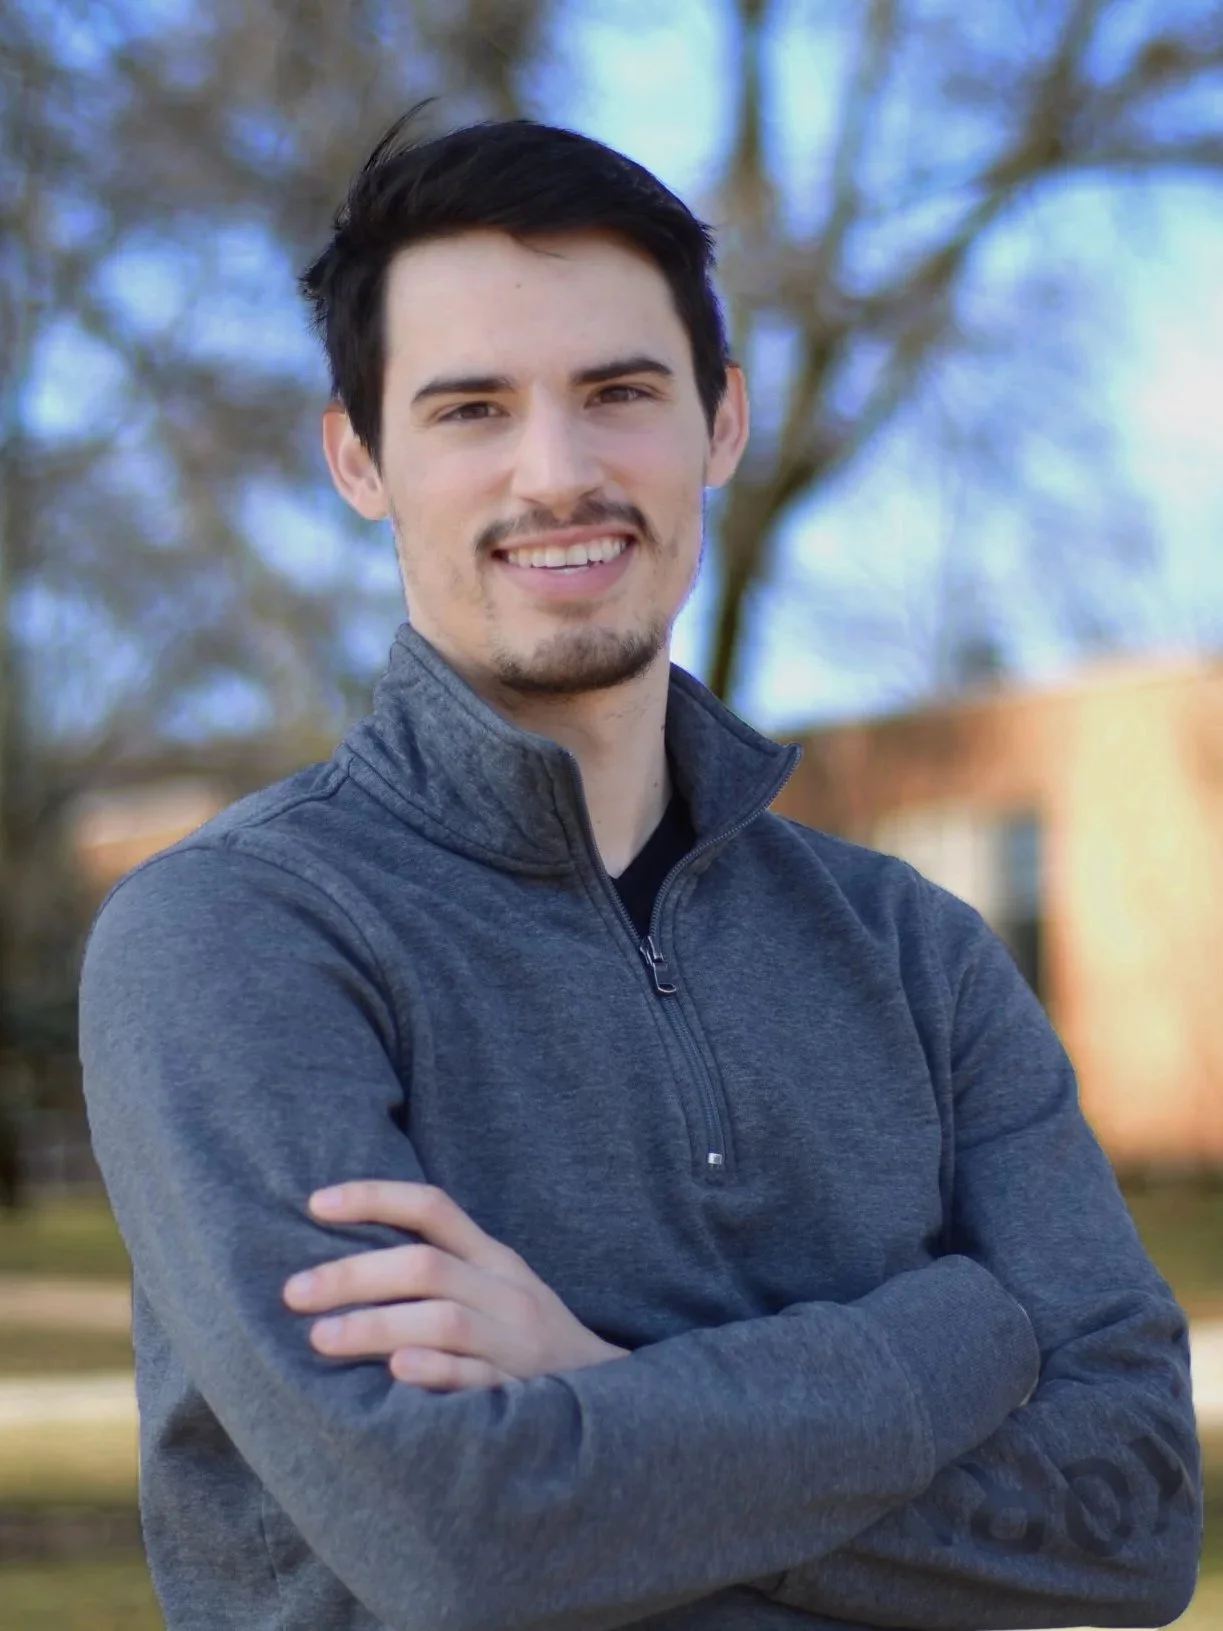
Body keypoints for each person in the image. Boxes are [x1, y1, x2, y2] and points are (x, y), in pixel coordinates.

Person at [80, 112, 1202, 1631]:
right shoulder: (233, 937)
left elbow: (1131, 1519)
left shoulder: (915, 952)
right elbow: (459, 1535)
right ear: (358, 458)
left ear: (718, 422)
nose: (557, 472)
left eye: (618, 393)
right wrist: (948, 1339)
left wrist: (595, 1388)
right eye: (470, 408)